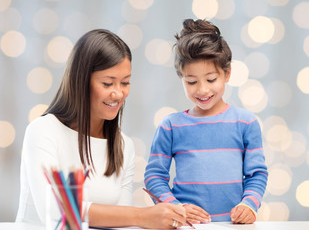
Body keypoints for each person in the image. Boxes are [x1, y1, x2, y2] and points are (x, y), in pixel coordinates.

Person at [16, 29, 187, 229]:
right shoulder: (43, 131)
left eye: (125, 82)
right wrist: (142, 216)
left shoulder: (123, 146)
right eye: (107, 83)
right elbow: (57, 210)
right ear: (81, 81)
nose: (118, 93)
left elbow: (120, 220)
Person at [144, 19, 268, 224]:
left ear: (227, 74)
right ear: (181, 77)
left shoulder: (246, 123)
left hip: (233, 226)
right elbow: (154, 176)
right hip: (186, 226)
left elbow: (257, 174)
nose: (202, 90)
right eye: (191, 81)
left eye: (211, 79)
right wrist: (175, 207)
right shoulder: (171, 126)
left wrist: (249, 204)